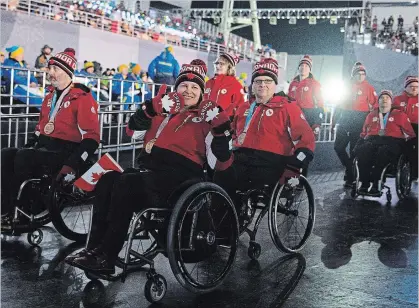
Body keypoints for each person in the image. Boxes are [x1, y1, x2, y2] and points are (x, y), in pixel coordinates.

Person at [65, 62, 232, 274]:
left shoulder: (207, 118)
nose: (188, 91)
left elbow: (221, 162)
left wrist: (221, 129)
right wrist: (152, 108)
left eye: (194, 87)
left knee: (127, 183)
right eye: (184, 86)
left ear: (202, 93)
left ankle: (107, 255)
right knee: (107, 179)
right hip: (150, 173)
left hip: (181, 180)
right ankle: (93, 250)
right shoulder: (164, 110)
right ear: (176, 88)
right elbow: (132, 131)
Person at [1, 48, 100, 223]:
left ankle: (26, 208)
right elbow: (41, 128)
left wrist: (73, 164)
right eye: (49, 68)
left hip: (67, 151)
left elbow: (92, 137)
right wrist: (31, 141)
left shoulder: (82, 97)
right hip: (46, 146)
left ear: (68, 71)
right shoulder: (48, 98)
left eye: (55, 69)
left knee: (25, 157)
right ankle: (6, 208)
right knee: (6, 154)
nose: (50, 72)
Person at [213, 58, 316, 217]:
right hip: (241, 158)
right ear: (252, 85)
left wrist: (296, 164)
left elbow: (307, 138)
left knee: (239, 182)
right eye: (258, 81)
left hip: (271, 164)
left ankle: (229, 225)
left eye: (268, 81)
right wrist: (219, 132)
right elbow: (232, 132)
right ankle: (223, 225)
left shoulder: (287, 107)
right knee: (218, 178)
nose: (262, 84)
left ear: (275, 85)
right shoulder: (244, 107)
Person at [354, 90, 415, 195]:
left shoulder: (400, 115)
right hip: (373, 139)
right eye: (382, 98)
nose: (384, 100)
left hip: (392, 141)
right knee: (364, 151)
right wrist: (359, 144)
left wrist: (409, 148)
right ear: (378, 101)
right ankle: (364, 183)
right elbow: (364, 132)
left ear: (391, 102)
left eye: (387, 98)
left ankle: (376, 183)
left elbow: (410, 133)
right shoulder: (371, 115)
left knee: (383, 152)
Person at [333, 62, 377, 187]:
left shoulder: (369, 88)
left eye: (363, 74)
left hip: (360, 119)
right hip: (345, 117)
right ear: (353, 75)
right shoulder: (346, 86)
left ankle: (351, 176)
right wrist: (333, 122)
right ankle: (349, 169)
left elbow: (376, 107)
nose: (361, 76)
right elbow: (337, 105)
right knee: (338, 147)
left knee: (354, 150)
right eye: (358, 73)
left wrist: (372, 122)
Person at [288, 55, 324, 135]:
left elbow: (320, 103)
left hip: (309, 116)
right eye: (301, 65)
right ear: (298, 68)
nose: (303, 68)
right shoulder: (293, 83)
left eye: (306, 66)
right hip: (294, 115)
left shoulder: (314, 83)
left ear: (309, 69)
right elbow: (288, 100)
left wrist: (317, 123)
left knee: (306, 143)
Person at [393, 76, 418, 179]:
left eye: (417, 86)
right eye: (411, 86)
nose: (414, 88)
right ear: (406, 87)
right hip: (400, 127)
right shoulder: (398, 100)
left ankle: (414, 173)